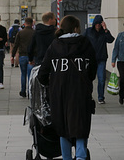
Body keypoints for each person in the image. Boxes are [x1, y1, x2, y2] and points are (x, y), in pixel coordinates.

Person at [38, 15, 97, 160]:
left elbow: (42, 74)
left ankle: (66, 157)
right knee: (81, 126)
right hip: (80, 93)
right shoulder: (85, 44)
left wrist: (52, 84)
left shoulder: (55, 46)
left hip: (59, 94)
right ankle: (81, 156)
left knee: (62, 127)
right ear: (76, 28)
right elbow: (92, 71)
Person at [83, 14, 114, 104]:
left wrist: (105, 29)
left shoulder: (104, 32)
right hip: (90, 59)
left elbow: (110, 40)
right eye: (96, 23)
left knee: (101, 79)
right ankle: (89, 96)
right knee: (89, 79)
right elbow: (82, 40)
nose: (98, 25)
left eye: (100, 23)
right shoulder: (89, 31)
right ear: (94, 23)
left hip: (101, 59)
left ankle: (101, 97)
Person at [11, 17, 35, 98]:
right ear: (32, 24)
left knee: (23, 74)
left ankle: (23, 90)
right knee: (30, 75)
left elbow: (16, 45)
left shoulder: (20, 33)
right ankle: (30, 91)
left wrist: (12, 55)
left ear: (24, 23)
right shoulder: (34, 33)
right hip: (32, 56)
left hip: (22, 56)